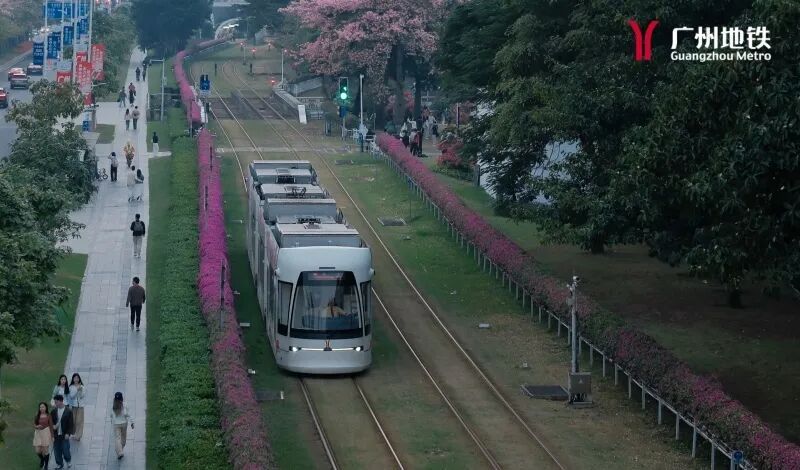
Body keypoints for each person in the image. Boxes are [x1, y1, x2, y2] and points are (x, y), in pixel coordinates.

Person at [50, 394, 74, 470]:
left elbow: (71, 424)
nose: (55, 403)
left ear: (61, 401)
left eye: (56, 402)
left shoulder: (68, 411)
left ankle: (68, 460)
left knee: (65, 449)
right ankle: (59, 464)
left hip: (64, 434)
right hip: (56, 435)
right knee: (57, 451)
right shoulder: (53, 411)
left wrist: (68, 433)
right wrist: (53, 429)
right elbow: (51, 423)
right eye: (55, 402)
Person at [111, 392, 134, 460]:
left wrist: (112, 420)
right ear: (122, 399)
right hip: (124, 424)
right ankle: (120, 450)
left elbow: (111, 415)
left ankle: (120, 452)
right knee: (123, 438)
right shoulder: (125, 405)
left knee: (117, 438)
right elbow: (128, 414)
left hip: (116, 424)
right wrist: (132, 422)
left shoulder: (113, 406)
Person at [33, 402, 53, 470]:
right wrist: (37, 426)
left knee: (45, 451)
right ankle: (42, 459)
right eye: (40, 407)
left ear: (46, 408)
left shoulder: (48, 415)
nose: (41, 408)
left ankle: (46, 465)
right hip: (38, 433)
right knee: (37, 451)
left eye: (43, 407)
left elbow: (51, 426)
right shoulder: (37, 415)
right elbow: (34, 425)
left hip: (46, 432)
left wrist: (52, 436)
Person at [66, 374, 85, 441]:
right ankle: (73, 433)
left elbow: (82, 396)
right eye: (75, 378)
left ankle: (78, 436)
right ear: (73, 379)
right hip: (73, 406)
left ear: (79, 379)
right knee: (73, 421)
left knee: (79, 421)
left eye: (77, 378)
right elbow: (71, 396)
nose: (76, 379)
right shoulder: (71, 387)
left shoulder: (82, 387)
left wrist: (80, 390)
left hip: (80, 406)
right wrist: (77, 390)